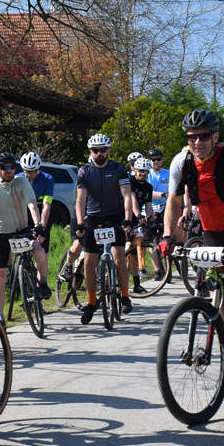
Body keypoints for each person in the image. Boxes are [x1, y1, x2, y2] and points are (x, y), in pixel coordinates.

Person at [161, 108, 224, 251]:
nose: (198, 142)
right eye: (192, 137)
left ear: (215, 137)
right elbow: (174, 202)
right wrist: (167, 236)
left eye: (204, 136)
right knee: (210, 273)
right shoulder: (181, 163)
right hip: (211, 233)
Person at [75, 133, 135, 324]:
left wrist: (127, 218)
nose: (99, 154)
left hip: (114, 216)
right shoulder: (84, 171)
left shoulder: (118, 168)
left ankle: (125, 295)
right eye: (95, 151)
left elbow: (127, 195)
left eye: (103, 150)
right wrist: (80, 222)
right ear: (91, 152)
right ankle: (92, 303)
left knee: (119, 259)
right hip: (92, 218)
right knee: (88, 263)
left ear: (108, 150)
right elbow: (81, 198)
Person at [0, 152, 43, 323]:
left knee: (38, 249)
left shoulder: (21, 181)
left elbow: (32, 204)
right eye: (5, 168)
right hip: (1, 233)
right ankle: (0, 316)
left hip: (22, 230)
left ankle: (41, 283)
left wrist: (38, 225)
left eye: (11, 167)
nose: (9, 171)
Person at [19, 151, 58, 295]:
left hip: (41, 211)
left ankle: (42, 282)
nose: (28, 175)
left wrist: (41, 226)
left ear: (38, 169)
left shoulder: (48, 179)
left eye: (32, 172)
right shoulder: (17, 179)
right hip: (23, 213)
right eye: (26, 171)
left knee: (41, 250)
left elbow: (46, 206)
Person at [126, 157, 156, 291]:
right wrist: (138, 215)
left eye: (146, 171)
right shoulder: (130, 181)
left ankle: (136, 284)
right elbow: (132, 200)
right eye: (141, 171)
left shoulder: (148, 187)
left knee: (133, 253)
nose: (143, 174)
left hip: (136, 219)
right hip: (125, 216)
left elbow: (149, 205)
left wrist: (150, 219)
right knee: (123, 248)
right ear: (135, 170)